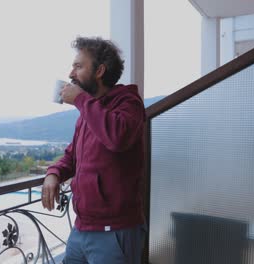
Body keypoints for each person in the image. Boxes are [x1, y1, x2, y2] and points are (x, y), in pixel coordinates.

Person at [41, 36, 146, 264]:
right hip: (81, 229)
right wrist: (54, 173)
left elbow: (117, 137)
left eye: (78, 66)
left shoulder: (129, 103)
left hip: (115, 232)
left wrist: (80, 100)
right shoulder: (89, 112)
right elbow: (73, 155)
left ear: (99, 70)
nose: (71, 73)